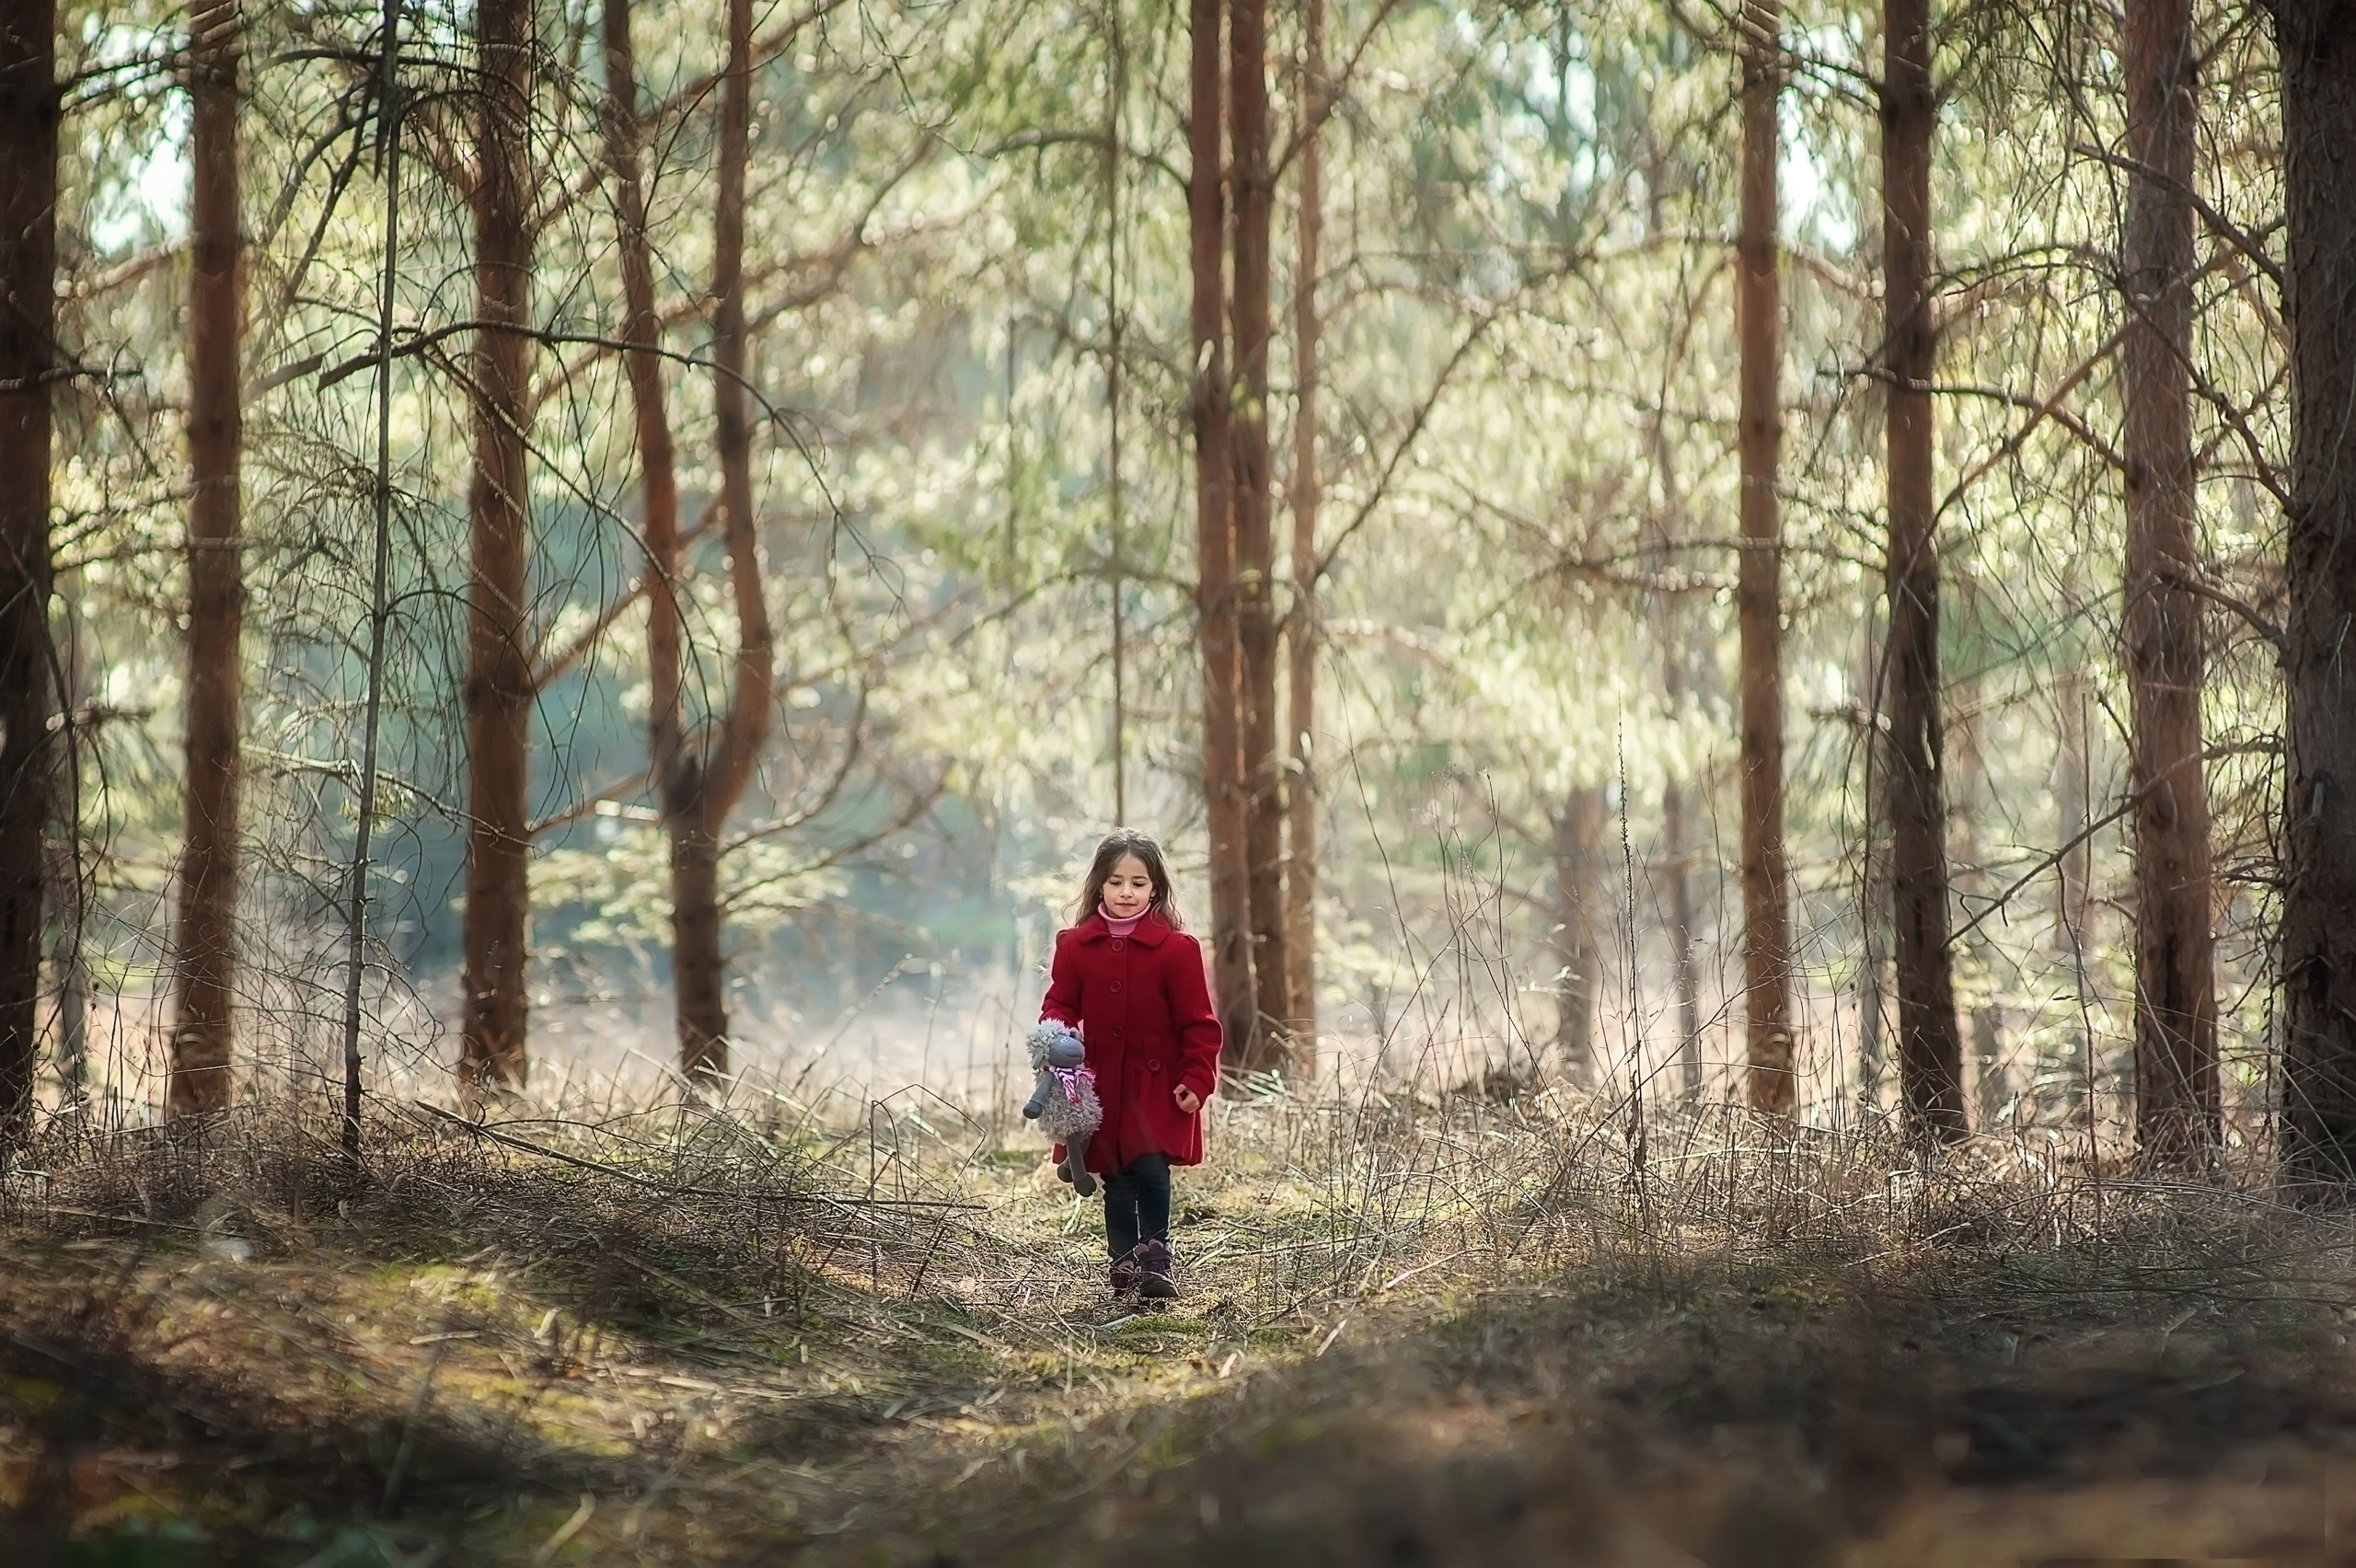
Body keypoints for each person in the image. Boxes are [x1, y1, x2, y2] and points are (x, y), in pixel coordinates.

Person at [1038, 829, 1221, 1299]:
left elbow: (1199, 1025)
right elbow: (1059, 1003)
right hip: (1099, 1085)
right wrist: (1057, 1039)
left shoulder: (1178, 950)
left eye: (1138, 883)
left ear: (1154, 888)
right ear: (1099, 885)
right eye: (1116, 882)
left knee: (1152, 1169)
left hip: (1157, 1083)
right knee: (1116, 1178)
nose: (1126, 892)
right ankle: (1122, 1268)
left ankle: (1158, 1258)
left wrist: (1197, 1078)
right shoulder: (1076, 946)